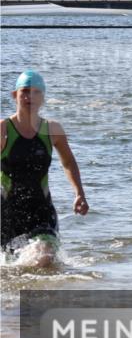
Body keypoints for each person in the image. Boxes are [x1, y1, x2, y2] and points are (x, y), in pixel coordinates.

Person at [1, 70, 88, 263]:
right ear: (14, 95)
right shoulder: (3, 129)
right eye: (24, 91)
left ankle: (44, 293)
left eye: (36, 92)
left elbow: (68, 162)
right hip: (7, 212)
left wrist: (79, 193)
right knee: (12, 266)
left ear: (43, 98)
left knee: (44, 257)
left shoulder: (52, 130)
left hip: (41, 210)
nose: (30, 97)